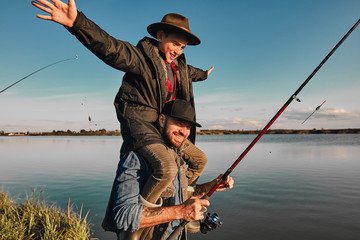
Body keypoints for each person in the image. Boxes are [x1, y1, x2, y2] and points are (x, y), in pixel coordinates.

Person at [32, 0, 213, 205]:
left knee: (200, 160)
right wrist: (77, 23)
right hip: (142, 124)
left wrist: (205, 75)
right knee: (167, 167)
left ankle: (180, 192)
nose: (178, 50)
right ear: (160, 36)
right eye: (175, 43)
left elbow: (193, 73)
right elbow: (111, 48)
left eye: (182, 47)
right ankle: (144, 212)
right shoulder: (140, 58)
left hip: (164, 126)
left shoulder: (179, 67)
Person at [102, 99, 234, 239]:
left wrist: (211, 186)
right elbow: (123, 217)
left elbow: (181, 196)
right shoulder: (135, 158)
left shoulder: (178, 159)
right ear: (162, 120)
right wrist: (181, 212)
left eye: (188, 127)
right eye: (179, 123)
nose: (184, 132)